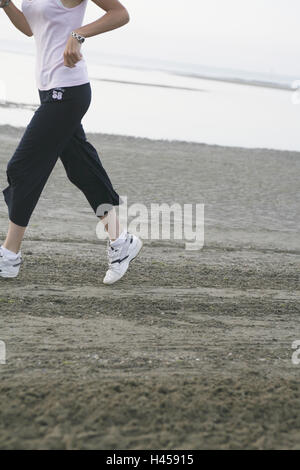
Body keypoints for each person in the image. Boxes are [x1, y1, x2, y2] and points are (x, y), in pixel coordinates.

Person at [0, 0, 143, 284]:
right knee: (82, 168)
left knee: (23, 167)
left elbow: (120, 13)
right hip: (49, 89)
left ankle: (9, 256)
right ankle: (121, 240)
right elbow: (31, 28)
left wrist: (77, 35)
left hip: (69, 90)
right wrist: (6, 5)